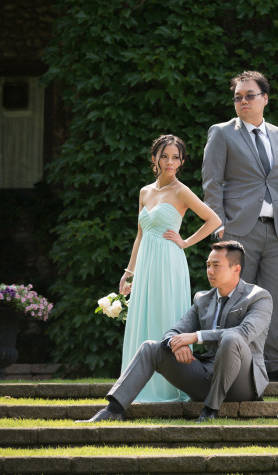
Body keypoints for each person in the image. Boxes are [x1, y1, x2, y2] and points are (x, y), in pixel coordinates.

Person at [80, 241, 273, 423]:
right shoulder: (202, 299)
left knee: (232, 337)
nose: (209, 271)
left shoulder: (258, 297)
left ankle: (210, 411)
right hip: (205, 377)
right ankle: (114, 410)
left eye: (216, 265)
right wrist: (176, 343)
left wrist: (195, 337)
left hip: (242, 384)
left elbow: (245, 332)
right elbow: (173, 332)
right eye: (207, 265)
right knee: (151, 348)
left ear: (236, 269)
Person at [202, 71, 278, 382]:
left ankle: (273, 363)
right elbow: (212, 182)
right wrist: (219, 224)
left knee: (275, 298)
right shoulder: (221, 133)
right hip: (238, 230)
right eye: (238, 97)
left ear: (265, 99)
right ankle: (229, 364)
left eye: (250, 95)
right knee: (235, 300)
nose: (243, 101)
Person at [118, 134, 221, 403]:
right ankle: (137, 386)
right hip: (146, 264)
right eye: (164, 156)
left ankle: (167, 387)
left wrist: (185, 242)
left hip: (168, 262)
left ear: (182, 161)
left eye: (176, 157)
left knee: (164, 315)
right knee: (143, 315)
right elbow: (140, 235)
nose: (170, 162)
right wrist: (130, 272)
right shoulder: (145, 192)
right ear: (154, 158)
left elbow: (213, 219)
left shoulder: (181, 191)